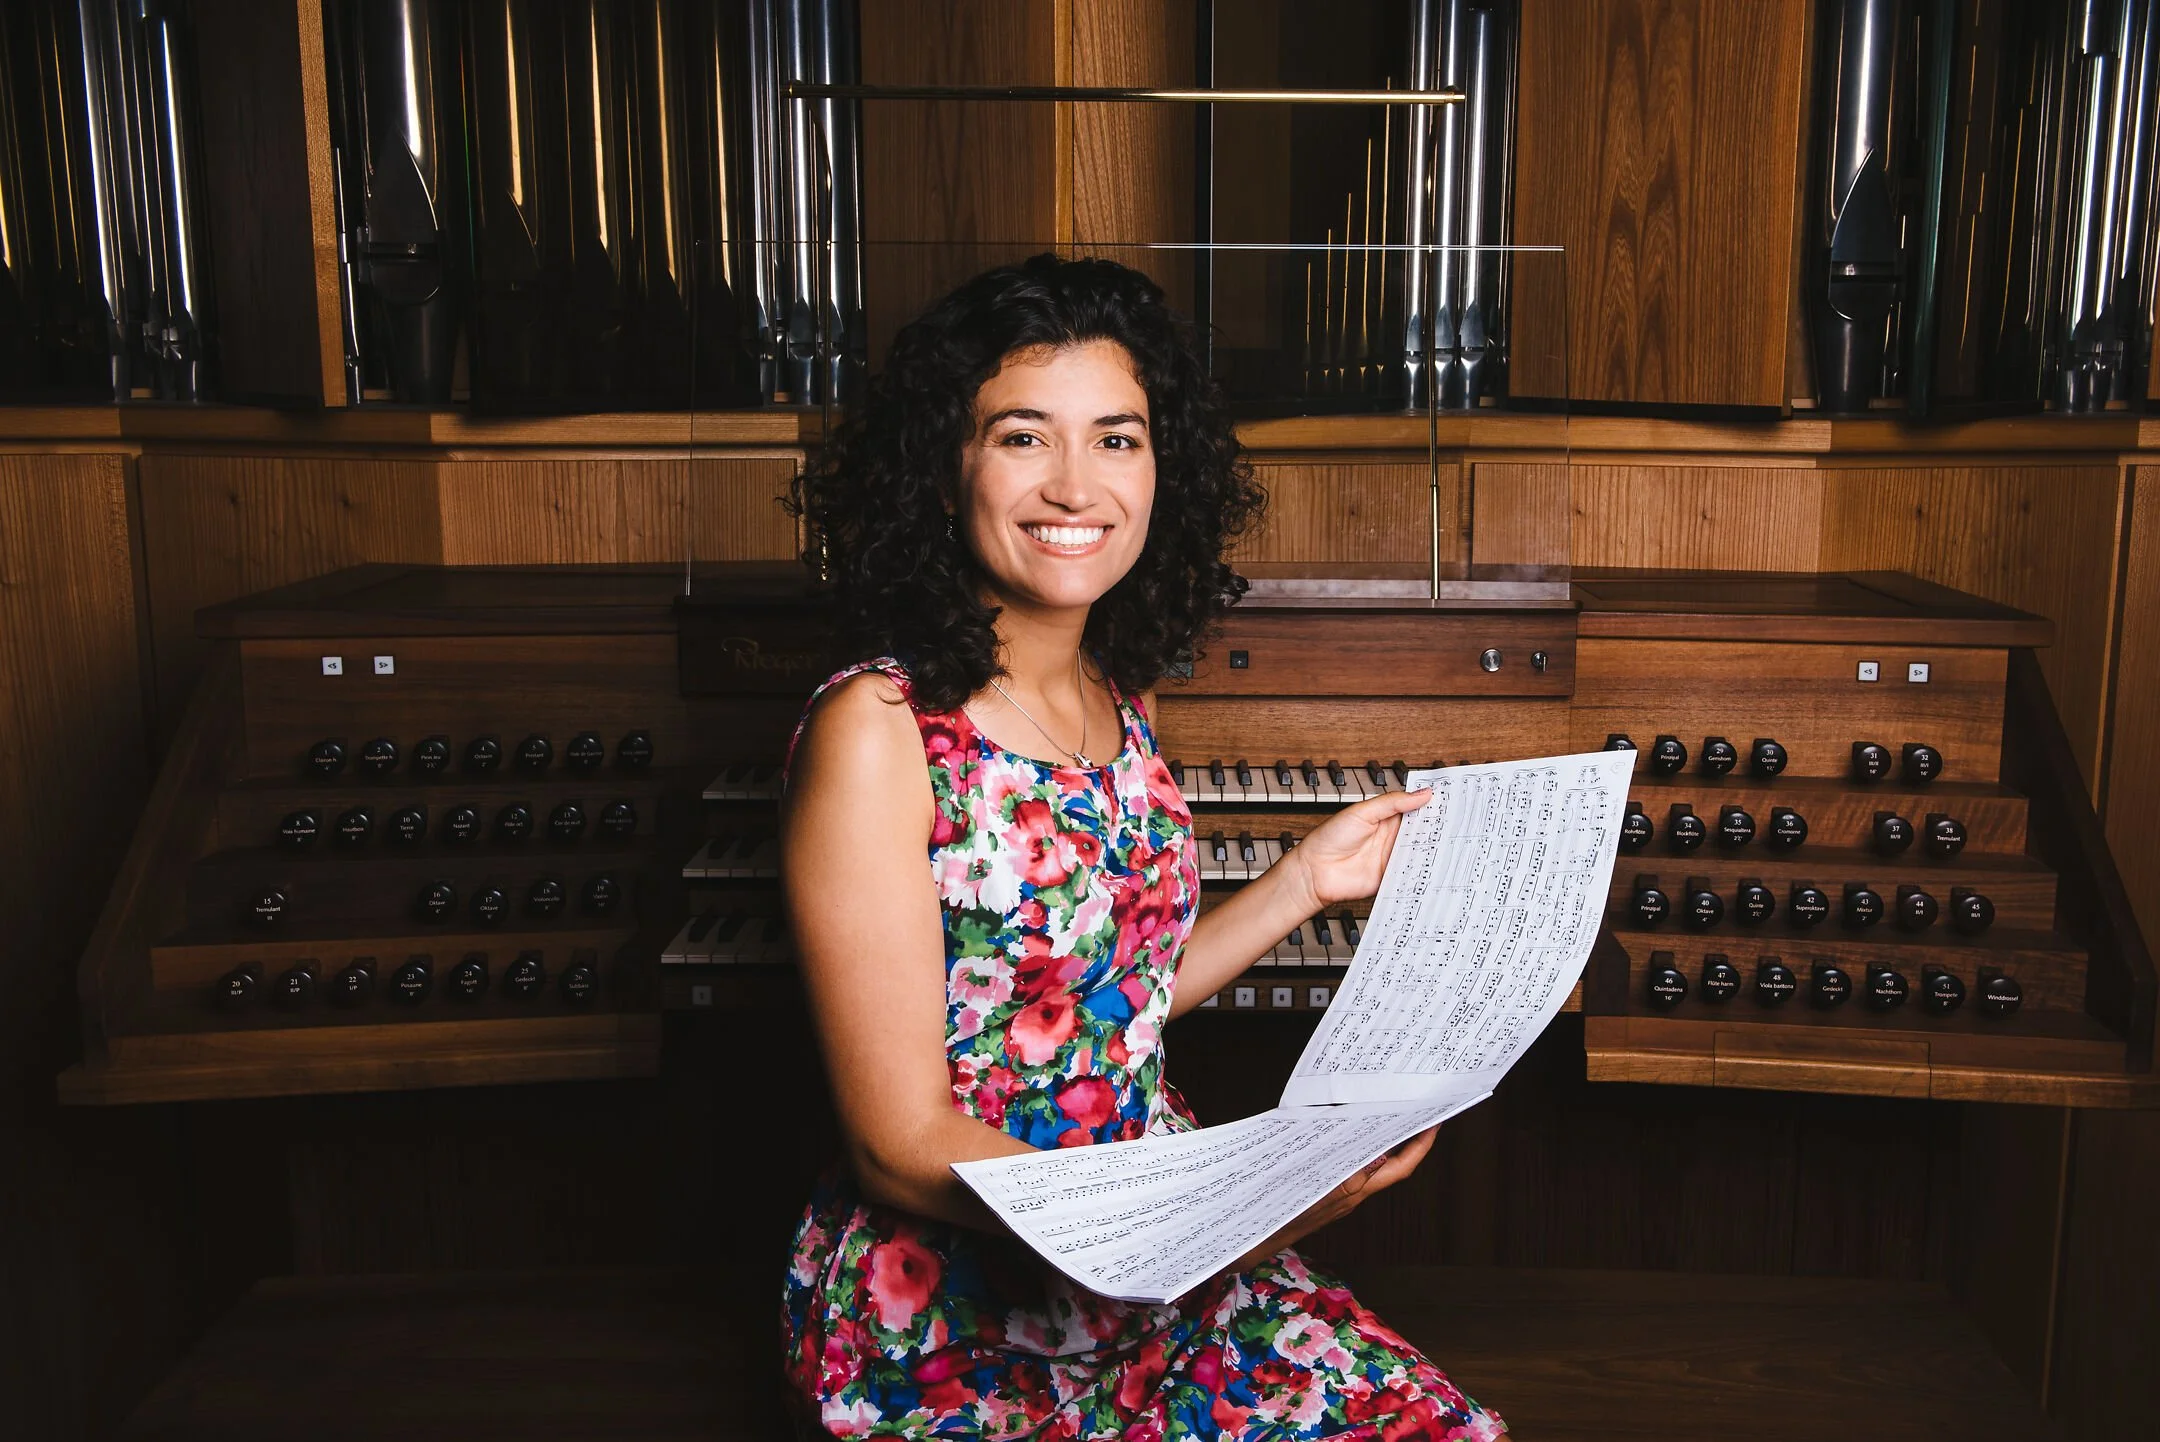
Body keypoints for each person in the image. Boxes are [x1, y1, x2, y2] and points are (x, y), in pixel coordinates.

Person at [779, 254, 1505, 1440]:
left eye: (1117, 438)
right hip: (966, 1300)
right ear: (946, 464)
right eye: (1023, 436)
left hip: (1161, 1248)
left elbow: (1108, 999)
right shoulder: (880, 730)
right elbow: (896, 1146)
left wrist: (1302, 882)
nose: (1076, 485)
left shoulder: (1121, 694)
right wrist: (1218, 1218)